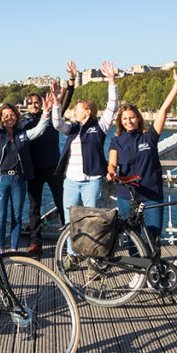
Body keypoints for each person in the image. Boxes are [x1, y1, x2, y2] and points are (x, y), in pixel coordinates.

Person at [108, 63, 177, 256]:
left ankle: (155, 271)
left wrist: (176, 86)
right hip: (127, 194)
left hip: (151, 192)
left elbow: (163, 111)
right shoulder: (116, 141)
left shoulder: (149, 137)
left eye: (132, 117)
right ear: (120, 122)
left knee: (153, 235)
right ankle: (138, 271)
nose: (129, 121)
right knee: (133, 236)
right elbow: (112, 162)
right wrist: (111, 171)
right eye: (125, 118)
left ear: (138, 118)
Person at [51, 62, 118, 264]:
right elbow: (56, 123)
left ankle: (93, 257)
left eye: (77, 109)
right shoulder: (71, 129)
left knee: (93, 220)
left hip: (92, 180)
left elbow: (112, 106)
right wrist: (56, 102)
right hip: (71, 180)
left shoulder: (99, 126)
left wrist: (111, 80)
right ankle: (73, 254)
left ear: (87, 111)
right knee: (71, 219)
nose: (73, 111)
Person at [0, 80, 53, 252]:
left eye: (11, 115)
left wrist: (46, 111)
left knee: (17, 216)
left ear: (16, 117)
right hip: (0, 179)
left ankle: (14, 248)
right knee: (0, 217)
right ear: (1, 118)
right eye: (5, 115)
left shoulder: (23, 135)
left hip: (18, 179)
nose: (9, 118)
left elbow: (39, 129)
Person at [20, 62, 77, 255]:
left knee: (63, 205)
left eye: (37, 102)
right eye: (31, 103)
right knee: (33, 208)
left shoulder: (53, 117)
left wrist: (71, 81)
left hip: (53, 168)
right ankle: (36, 242)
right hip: (33, 170)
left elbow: (66, 101)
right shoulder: (24, 124)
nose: (34, 105)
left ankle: (70, 241)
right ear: (26, 106)